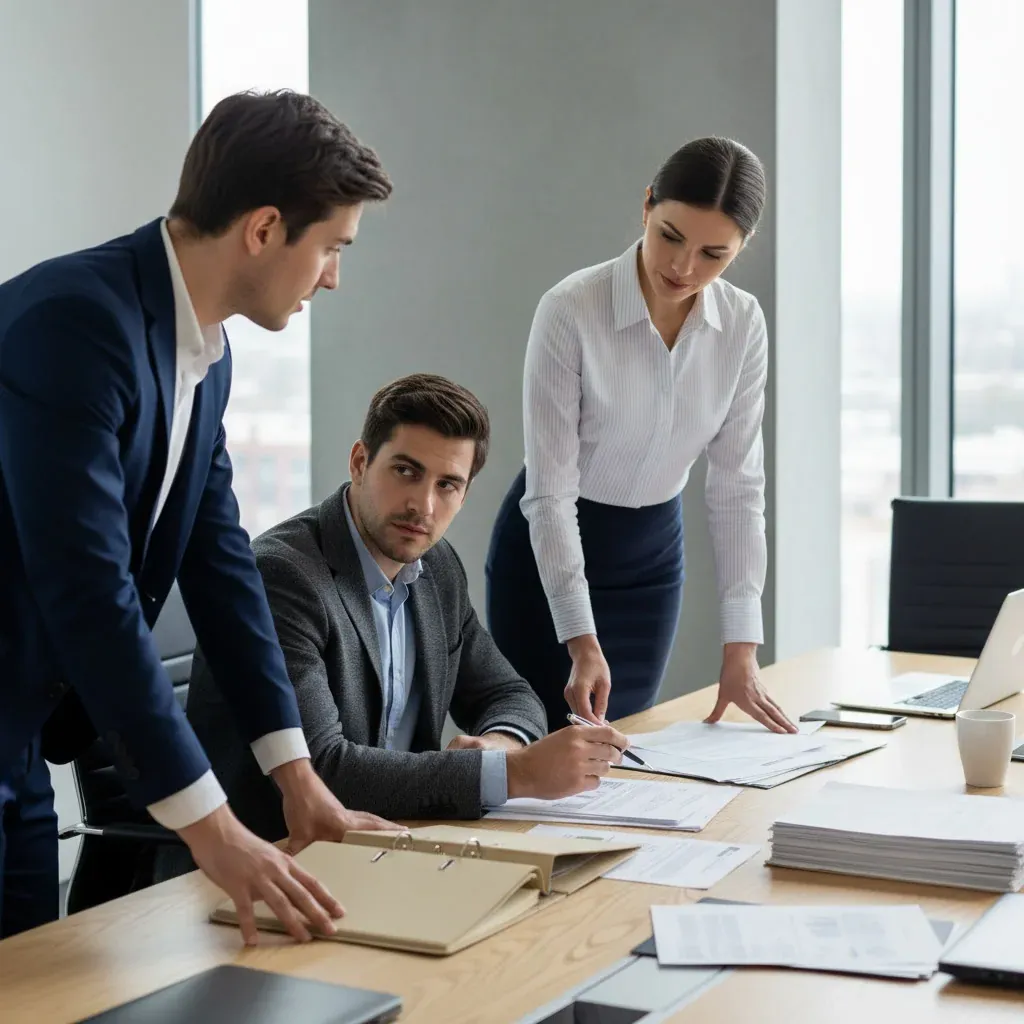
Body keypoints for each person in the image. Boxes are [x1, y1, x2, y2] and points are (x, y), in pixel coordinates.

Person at [0, 90, 396, 944]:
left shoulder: (206, 356)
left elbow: (222, 568)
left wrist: (296, 774)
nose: (334, 275)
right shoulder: (75, 324)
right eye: (331, 247)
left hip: (18, 740)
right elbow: (88, 590)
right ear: (262, 229)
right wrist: (213, 830)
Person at [175, 374, 628, 856]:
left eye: (448, 484)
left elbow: (506, 693)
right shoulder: (282, 575)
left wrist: (500, 744)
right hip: (274, 857)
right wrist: (517, 773)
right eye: (406, 472)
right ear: (360, 462)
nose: (423, 505)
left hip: (395, 847)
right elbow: (322, 770)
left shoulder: (437, 567)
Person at [486, 137, 798, 734]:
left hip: (649, 562)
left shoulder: (741, 325)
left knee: (619, 760)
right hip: (547, 558)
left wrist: (742, 649)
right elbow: (550, 494)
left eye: (714, 253)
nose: (684, 267)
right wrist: (580, 639)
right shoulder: (570, 309)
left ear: (742, 248)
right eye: (671, 236)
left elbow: (738, 488)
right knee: (542, 753)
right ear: (647, 206)